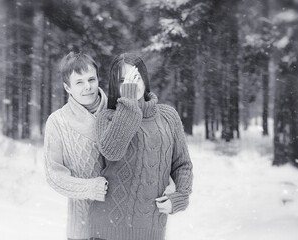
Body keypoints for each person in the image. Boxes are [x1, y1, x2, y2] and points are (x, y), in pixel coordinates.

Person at [90, 53, 193, 240]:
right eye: (124, 80)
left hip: (151, 229)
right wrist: (129, 103)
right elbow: (112, 151)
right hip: (106, 229)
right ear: (115, 85)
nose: (132, 84)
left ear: (145, 79)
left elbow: (182, 164)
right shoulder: (107, 117)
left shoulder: (168, 116)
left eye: (136, 77)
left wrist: (180, 197)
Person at [44, 52, 108, 240]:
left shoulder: (118, 111)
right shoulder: (58, 121)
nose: (88, 87)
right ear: (67, 87)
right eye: (79, 82)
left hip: (122, 225)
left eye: (91, 79)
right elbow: (54, 176)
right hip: (82, 228)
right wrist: (90, 188)